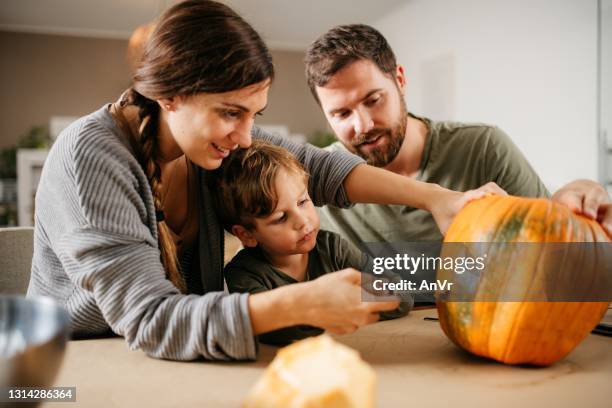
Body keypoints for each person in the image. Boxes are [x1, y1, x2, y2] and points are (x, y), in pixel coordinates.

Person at [26, 1, 501, 362]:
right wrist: (295, 303)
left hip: (183, 354)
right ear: (169, 96)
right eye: (231, 113)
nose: (246, 136)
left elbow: (321, 169)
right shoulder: (91, 158)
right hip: (77, 362)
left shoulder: (213, 145)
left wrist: (439, 200)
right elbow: (151, 320)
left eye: (255, 115)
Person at [305, 24, 612, 246]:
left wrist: (577, 195)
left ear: (399, 80)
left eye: (374, 100)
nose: (364, 125)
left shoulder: (483, 147)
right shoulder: (317, 180)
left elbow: (552, 247)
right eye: (342, 114)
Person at [209, 140, 412, 345]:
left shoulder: (334, 249)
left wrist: (353, 299)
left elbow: (401, 296)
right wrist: (328, 307)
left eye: (303, 202)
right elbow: (276, 332)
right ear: (246, 235)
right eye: (281, 217)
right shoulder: (243, 275)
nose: (302, 221)